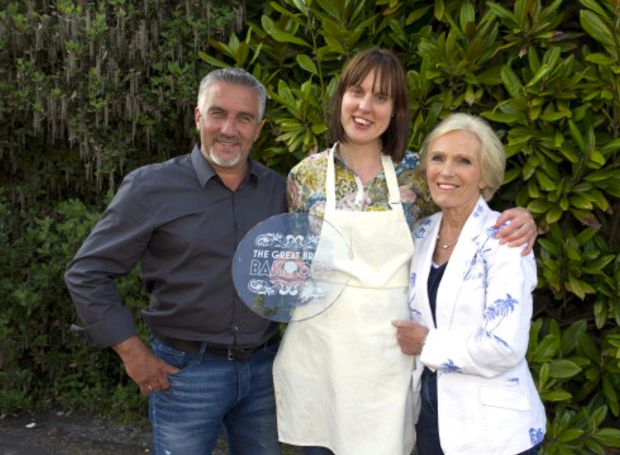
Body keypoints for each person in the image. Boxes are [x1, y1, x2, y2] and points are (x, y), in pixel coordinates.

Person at [273, 48, 538, 455]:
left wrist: (521, 218)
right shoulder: (303, 176)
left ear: (395, 111)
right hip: (320, 356)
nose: (365, 106)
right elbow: (295, 266)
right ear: (340, 96)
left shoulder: (418, 172)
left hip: (391, 358)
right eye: (356, 91)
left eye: (381, 97)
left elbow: (467, 217)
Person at [64, 68, 287, 455]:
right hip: (184, 373)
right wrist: (132, 353)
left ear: (258, 128)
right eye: (218, 113)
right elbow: (87, 273)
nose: (229, 128)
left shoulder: (278, 191)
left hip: (263, 370)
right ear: (198, 116)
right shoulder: (151, 187)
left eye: (244, 118)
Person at [392, 113, 546, 455]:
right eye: (438, 158)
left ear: (484, 176)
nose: (446, 171)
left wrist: (426, 343)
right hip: (432, 420)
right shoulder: (420, 233)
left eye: (463, 161)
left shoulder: (506, 238)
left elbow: (504, 346)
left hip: (494, 433)